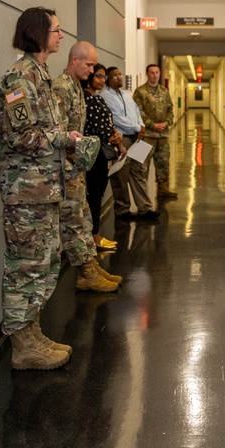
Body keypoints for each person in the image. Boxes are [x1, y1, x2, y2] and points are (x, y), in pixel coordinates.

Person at [0, 7, 79, 371]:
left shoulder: (41, 76)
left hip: (44, 190)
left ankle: (33, 333)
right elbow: (22, 136)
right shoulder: (19, 79)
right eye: (57, 30)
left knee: (44, 265)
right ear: (38, 33)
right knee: (24, 267)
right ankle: (21, 343)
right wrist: (65, 138)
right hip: (25, 194)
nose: (62, 36)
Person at [52, 42, 121, 292]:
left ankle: (90, 266)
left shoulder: (76, 88)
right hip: (66, 169)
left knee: (82, 218)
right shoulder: (61, 87)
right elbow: (58, 132)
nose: (92, 71)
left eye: (94, 65)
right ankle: (86, 272)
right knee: (74, 220)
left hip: (77, 167)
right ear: (74, 60)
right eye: (89, 65)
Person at [101, 67, 159, 221]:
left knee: (139, 172)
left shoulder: (126, 95)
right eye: (114, 76)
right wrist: (137, 127)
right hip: (123, 139)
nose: (119, 78)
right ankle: (122, 210)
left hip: (137, 138)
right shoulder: (106, 96)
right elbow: (116, 119)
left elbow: (136, 112)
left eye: (120, 75)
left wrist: (141, 128)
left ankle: (145, 208)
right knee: (120, 175)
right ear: (107, 79)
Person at [83, 64, 124, 252]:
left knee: (97, 194)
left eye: (104, 77)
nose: (102, 80)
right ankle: (94, 236)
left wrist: (116, 134)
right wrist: (118, 142)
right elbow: (101, 127)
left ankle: (95, 234)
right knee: (94, 195)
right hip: (95, 153)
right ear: (90, 77)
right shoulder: (86, 99)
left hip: (104, 150)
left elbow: (108, 123)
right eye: (99, 76)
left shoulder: (97, 98)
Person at [133, 63, 178, 200]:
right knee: (142, 165)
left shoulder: (164, 91)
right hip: (146, 135)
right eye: (151, 72)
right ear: (147, 74)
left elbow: (170, 109)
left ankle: (163, 189)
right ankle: (142, 192)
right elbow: (138, 111)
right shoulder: (140, 92)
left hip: (162, 135)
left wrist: (167, 123)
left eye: (157, 72)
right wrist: (152, 124)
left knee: (163, 162)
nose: (154, 75)